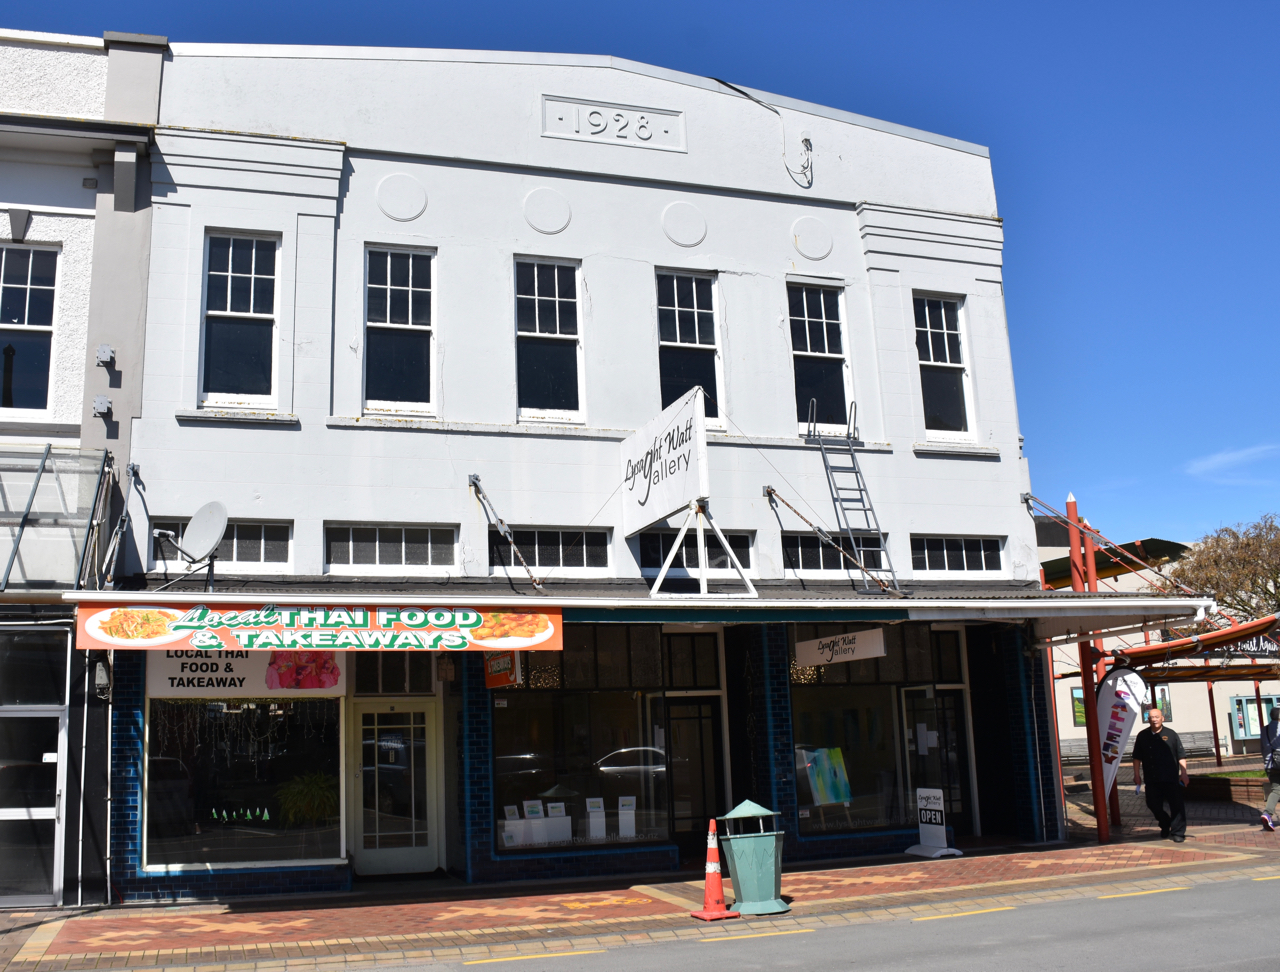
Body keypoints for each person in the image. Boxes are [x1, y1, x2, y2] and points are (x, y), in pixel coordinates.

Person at [1132, 705, 1189, 841]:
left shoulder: (1171, 734)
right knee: (1153, 804)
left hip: (1170, 777)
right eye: (1151, 717)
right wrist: (1136, 775)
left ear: (1162, 718)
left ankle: (1178, 832)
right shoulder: (1143, 736)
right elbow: (1136, 757)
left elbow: (1181, 755)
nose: (1154, 720)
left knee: (1176, 805)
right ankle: (1165, 823)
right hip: (1152, 778)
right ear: (1148, 720)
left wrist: (1184, 773)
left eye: (1157, 717)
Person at [1261, 708, 1280, 831]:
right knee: (1277, 790)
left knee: (1276, 789)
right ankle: (1267, 813)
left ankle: (1267, 814)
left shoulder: (1265, 729)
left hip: (1270, 765)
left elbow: (1262, 748)